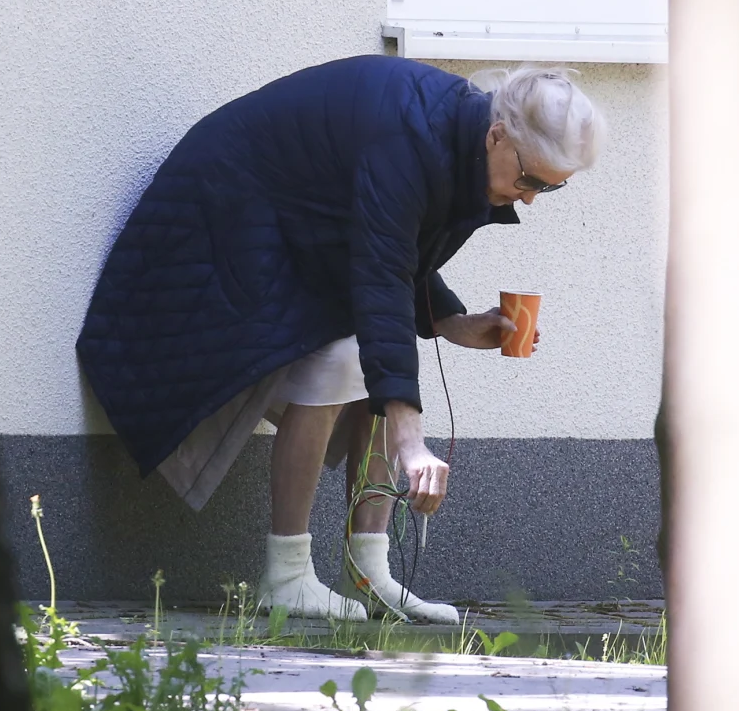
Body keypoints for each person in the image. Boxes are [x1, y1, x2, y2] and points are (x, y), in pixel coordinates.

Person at [77, 56, 604, 622]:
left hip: (294, 224)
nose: (527, 198)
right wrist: (411, 443)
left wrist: (451, 321)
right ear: (498, 136)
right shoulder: (411, 135)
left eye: (547, 191)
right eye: (528, 180)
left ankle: (369, 570)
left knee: (373, 355)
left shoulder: (460, 138)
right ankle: (286, 575)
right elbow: (380, 275)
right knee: (344, 356)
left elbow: (396, 250)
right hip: (224, 210)